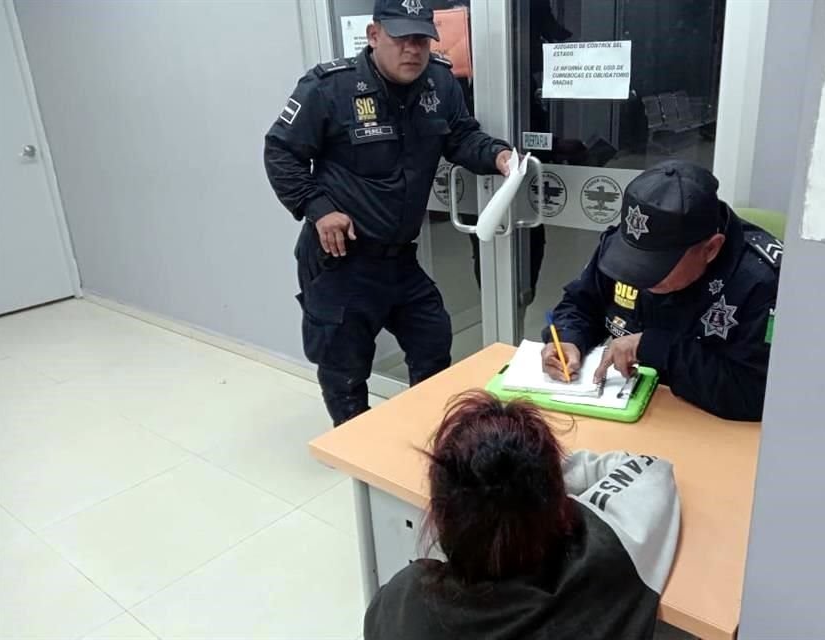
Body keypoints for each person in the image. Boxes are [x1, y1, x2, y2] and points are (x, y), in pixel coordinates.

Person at [263, 0, 512, 426]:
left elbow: (462, 136)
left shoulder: (439, 82)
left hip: (400, 259)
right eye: (401, 39)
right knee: (345, 369)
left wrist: (499, 156)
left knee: (432, 338)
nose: (412, 50)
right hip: (341, 260)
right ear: (374, 35)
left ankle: (429, 434)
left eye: (421, 39)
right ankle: (358, 449)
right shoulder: (328, 88)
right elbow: (281, 152)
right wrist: (318, 208)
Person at [363, 390, 680, 640]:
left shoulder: (401, 605)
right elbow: (650, 469)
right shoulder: (607, 561)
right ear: (556, 505)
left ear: (440, 515)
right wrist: (536, 470)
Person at [541, 160, 781, 421]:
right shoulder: (621, 248)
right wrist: (568, 337)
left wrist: (655, 347)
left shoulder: (763, 282)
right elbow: (581, 304)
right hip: (625, 410)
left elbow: (755, 393)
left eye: (656, 265)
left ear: (711, 249)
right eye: (633, 258)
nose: (638, 275)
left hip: (706, 427)